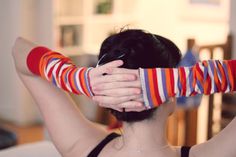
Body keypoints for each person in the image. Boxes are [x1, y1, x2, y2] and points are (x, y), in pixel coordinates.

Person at [12, 29, 236, 157]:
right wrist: (187, 80)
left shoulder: (82, 146)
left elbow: (19, 50)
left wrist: (75, 78)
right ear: (171, 95)